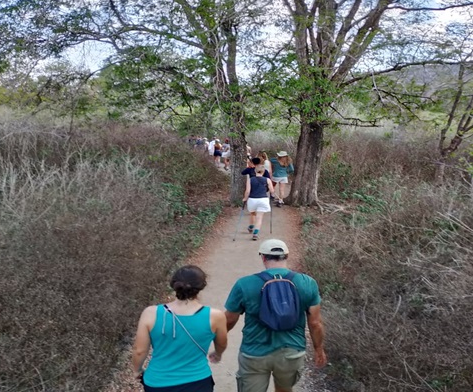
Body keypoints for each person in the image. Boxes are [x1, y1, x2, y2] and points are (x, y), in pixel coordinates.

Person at [224, 239, 327, 392]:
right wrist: (319, 349)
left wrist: (218, 337)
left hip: (254, 352)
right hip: (291, 352)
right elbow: (315, 323)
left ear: (263, 257)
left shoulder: (244, 284)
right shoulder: (307, 283)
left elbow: (230, 319)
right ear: (287, 256)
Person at [132, 265, 228, 392]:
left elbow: (140, 351)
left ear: (173, 284)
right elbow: (222, 343)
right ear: (201, 286)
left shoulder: (151, 313)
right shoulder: (215, 316)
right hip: (198, 381)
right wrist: (218, 354)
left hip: (158, 382)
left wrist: (137, 370)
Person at [243, 165, 274, 241]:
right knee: (259, 217)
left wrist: (245, 198)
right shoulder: (267, 180)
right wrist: (272, 194)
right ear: (263, 172)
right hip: (263, 199)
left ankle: (250, 227)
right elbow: (272, 191)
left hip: (252, 200)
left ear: (255, 171)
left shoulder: (250, 180)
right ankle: (255, 233)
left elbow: (247, 191)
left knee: (253, 213)